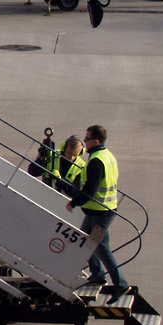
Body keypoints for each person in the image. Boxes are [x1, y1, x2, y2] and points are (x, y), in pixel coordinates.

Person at [65, 124, 124, 294]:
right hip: (98, 210)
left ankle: (120, 284)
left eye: (87, 138)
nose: (84, 141)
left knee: (100, 247)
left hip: (101, 213)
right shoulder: (106, 155)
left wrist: (74, 202)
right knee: (84, 242)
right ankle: (97, 274)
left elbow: (90, 190)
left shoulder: (96, 161)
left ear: (96, 141)